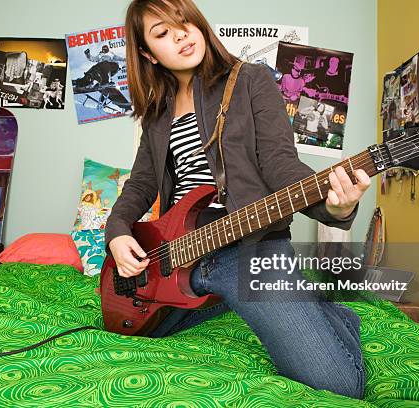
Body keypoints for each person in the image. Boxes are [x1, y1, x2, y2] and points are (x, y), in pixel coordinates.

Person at [105, 0, 371, 400]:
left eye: (183, 22)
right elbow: (140, 185)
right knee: (131, 330)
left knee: (338, 384)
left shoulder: (250, 80)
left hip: (247, 248)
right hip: (176, 254)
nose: (179, 35)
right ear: (147, 53)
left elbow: (282, 166)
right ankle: (284, 299)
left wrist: (335, 207)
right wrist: (117, 232)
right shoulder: (157, 112)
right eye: (161, 33)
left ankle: (327, 311)